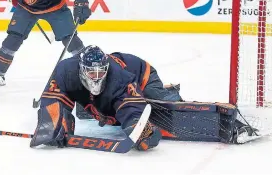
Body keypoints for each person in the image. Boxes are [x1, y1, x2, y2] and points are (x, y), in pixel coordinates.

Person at [29, 46, 260, 151]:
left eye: (101, 72)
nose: (97, 76)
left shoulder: (118, 79)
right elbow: (53, 97)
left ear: (107, 69)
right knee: (91, 110)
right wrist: (53, 126)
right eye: (92, 73)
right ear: (81, 70)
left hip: (141, 77)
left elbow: (133, 108)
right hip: (114, 88)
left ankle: (169, 92)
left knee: (158, 104)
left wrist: (137, 128)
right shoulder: (65, 71)